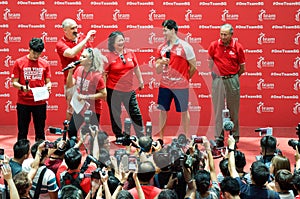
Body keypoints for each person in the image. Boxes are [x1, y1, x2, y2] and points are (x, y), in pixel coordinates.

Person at [155, 19, 197, 139]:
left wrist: (184, 78)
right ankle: (161, 138)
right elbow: (157, 70)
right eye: (163, 31)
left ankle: (187, 137)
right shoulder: (161, 48)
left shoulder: (185, 46)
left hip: (181, 86)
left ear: (173, 30)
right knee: (163, 111)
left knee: (184, 112)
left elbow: (193, 66)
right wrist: (161, 62)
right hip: (165, 85)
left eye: (165, 30)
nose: (163, 33)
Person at [208, 23, 246, 146]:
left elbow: (242, 68)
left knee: (233, 110)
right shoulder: (214, 45)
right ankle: (219, 138)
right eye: (221, 34)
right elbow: (209, 62)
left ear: (231, 35)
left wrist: (233, 77)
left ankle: (234, 137)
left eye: (225, 34)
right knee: (218, 109)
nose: (223, 37)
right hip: (218, 80)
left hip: (232, 79)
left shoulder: (237, 47)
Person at [104, 31, 145, 139]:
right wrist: (104, 90)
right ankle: (119, 136)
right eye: (119, 41)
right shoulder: (108, 56)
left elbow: (136, 67)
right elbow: (104, 74)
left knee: (135, 113)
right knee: (115, 114)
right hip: (113, 90)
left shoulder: (130, 53)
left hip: (129, 89)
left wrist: (140, 81)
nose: (121, 42)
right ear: (113, 43)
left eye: (122, 40)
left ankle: (141, 135)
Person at [12, 38, 52, 141]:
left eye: (39, 53)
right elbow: (14, 82)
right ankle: (21, 154)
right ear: (29, 49)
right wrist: (22, 87)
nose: (36, 56)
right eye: (34, 53)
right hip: (23, 102)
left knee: (40, 131)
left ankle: (40, 155)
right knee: (22, 131)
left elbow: (48, 81)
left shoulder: (45, 64)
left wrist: (48, 86)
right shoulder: (19, 62)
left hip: (40, 102)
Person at [56, 18, 95, 121]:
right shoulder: (60, 44)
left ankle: (86, 132)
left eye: (76, 27)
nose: (75, 30)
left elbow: (91, 55)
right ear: (65, 30)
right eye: (72, 28)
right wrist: (86, 39)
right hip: (72, 81)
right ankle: (70, 134)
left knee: (88, 108)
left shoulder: (82, 38)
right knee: (71, 108)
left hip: (86, 79)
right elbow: (71, 53)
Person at [66, 48, 107, 138]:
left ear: (90, 61)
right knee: (71, 130)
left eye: (84, 57)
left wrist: (85, 97)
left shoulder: (97, 75)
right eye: (81, 55)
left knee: (93, 135)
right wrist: (70, 71)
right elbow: (69, 85)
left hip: (93, 109)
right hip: (80, 107)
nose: (80, 58)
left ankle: (93, 151)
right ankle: (74, 149)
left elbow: (104, 94)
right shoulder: (79, 69)